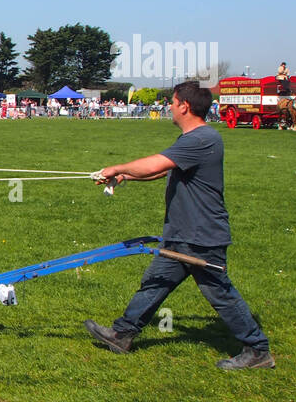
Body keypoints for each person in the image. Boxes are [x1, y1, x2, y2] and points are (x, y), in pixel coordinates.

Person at [84, 80, 274, 370]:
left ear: (184, 106)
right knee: (155, 283)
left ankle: (257, 349)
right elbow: (163, 171)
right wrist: (125, 178)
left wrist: (118, 167)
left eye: (172, 102)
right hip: (182, 232)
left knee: (220, 293)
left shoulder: (201, 139)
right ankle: (123, 334)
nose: (169, 107)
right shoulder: (194, 139)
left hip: (202, 235)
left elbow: (157, 164)